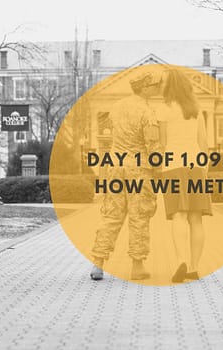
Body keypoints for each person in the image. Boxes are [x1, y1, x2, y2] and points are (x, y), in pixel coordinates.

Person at [90, 71, 162, 281]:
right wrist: (158, 170)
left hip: (114, 167)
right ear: (145, 88)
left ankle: (98, 263)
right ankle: (137, 265)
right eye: (154, 85)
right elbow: (153, 145)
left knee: (111, 215)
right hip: (138, 169)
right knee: (139, 216)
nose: (157, 89)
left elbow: (108, 133)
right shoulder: (147, 112)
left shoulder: (117, 107)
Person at [158, 68, 212, 283]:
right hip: (196, 167)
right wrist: (204, 168)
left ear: (168, 86)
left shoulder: (163, 109)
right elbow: (203, 143)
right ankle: (194, 267)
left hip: (172, 166)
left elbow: (162, 144)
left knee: (178, 216)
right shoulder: (195, 109)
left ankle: (181, 260)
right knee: (196, 219)